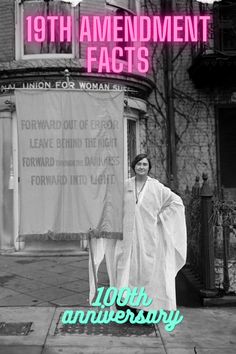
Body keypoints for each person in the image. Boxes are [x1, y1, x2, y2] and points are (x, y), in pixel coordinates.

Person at [114, 153, 187, 312]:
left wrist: (161, 218)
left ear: (149, 167)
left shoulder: (156, 187)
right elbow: (114, 207)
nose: (141, 167)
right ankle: (126, 309)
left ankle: (146, 310)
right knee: (125, 271)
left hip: (148, 238)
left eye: (145, 164)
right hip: (127, 239)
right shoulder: (125, 185)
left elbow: (177, 203)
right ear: (133, 166)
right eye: (139, 164)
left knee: (147, 274)